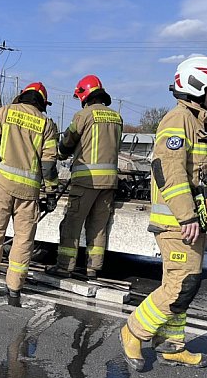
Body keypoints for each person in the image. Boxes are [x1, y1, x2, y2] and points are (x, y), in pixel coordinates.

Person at [120, 56, 207, 371]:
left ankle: (173, 345)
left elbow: (202, 177)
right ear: (197, 86)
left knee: (184, 284)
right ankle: (134, 331)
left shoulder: (199, 121)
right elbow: (169, 173)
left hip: (193, 221)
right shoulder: (177, 120)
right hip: (178, 223)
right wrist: (188, 217)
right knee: (182, 284)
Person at [0, 82, 59, 299]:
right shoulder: (46, 124)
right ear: (41, 103)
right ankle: (15, 287)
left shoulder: (4, 113)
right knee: (23, 240)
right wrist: (51, 191)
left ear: (22, 96)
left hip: (1, 186)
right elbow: (49, 164)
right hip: (29, 193)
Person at [46, 75, 122, 280]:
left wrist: (60, 154)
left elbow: (68, 140)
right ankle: (92, 268)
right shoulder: (117, 117)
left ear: (84, 94)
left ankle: (64, 267)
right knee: (98, 227)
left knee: (72, 224)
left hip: (86, 181)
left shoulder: (83, 115)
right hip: (109, 183)